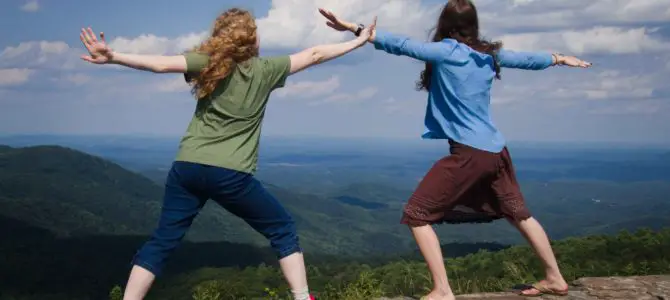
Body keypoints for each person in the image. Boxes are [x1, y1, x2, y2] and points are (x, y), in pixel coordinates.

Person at [78, 8, 376, 300]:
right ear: (252, 40)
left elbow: (160, 65)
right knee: (283, 229)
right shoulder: (265, 70)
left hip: (187, 168)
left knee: (162, 241)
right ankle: (301, 297)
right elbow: (314, 55)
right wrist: (358, 40)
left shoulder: (206, 63)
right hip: (230, 174)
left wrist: (114, 56)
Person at [318, 1, 591, 299]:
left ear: (444, 24)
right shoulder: (488, 55)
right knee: (518, 214)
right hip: (497, 151)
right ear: (473, 25)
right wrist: (557, 58)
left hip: (470, 153)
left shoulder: (447, 51)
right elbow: (525, 59)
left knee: (416, 213)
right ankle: (555, 278)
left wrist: (355, 29)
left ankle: (443, 289)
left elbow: (402, 44)